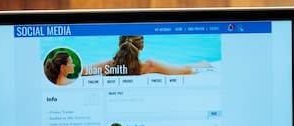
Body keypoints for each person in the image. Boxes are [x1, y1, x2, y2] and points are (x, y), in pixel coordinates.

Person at [82, 36, 211, 77]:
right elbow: (185, 70)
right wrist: (202, 65)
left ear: (120, 45)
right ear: (142, 47)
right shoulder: (149, 66)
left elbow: (81, 71)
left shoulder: (109, 65)